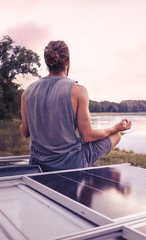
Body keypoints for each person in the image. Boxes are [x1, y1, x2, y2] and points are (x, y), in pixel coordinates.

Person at [19, 40, 131, 171]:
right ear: (67, 61)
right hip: (72, 163)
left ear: (47, 62)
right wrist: (115, 128)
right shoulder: (78, 90)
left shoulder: (27, 92)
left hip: (37, 164)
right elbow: (87, 136)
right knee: (115, 136)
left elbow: (25, 132)